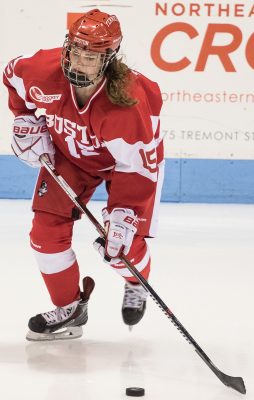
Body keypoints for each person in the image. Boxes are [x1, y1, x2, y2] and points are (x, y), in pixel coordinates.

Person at [3, 9, 164, 341]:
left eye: (90, 56)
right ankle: (71, 309)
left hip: (125, 169)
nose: (77, 61)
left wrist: (123, 215)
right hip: (69, 159)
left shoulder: (126, 105)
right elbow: (11, 76)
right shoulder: (42, 70)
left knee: (120, 245)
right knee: (44, 235)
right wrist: (24, 119)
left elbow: (137, 167)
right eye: (74, 50)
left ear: (108, 58)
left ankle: (136, 282)